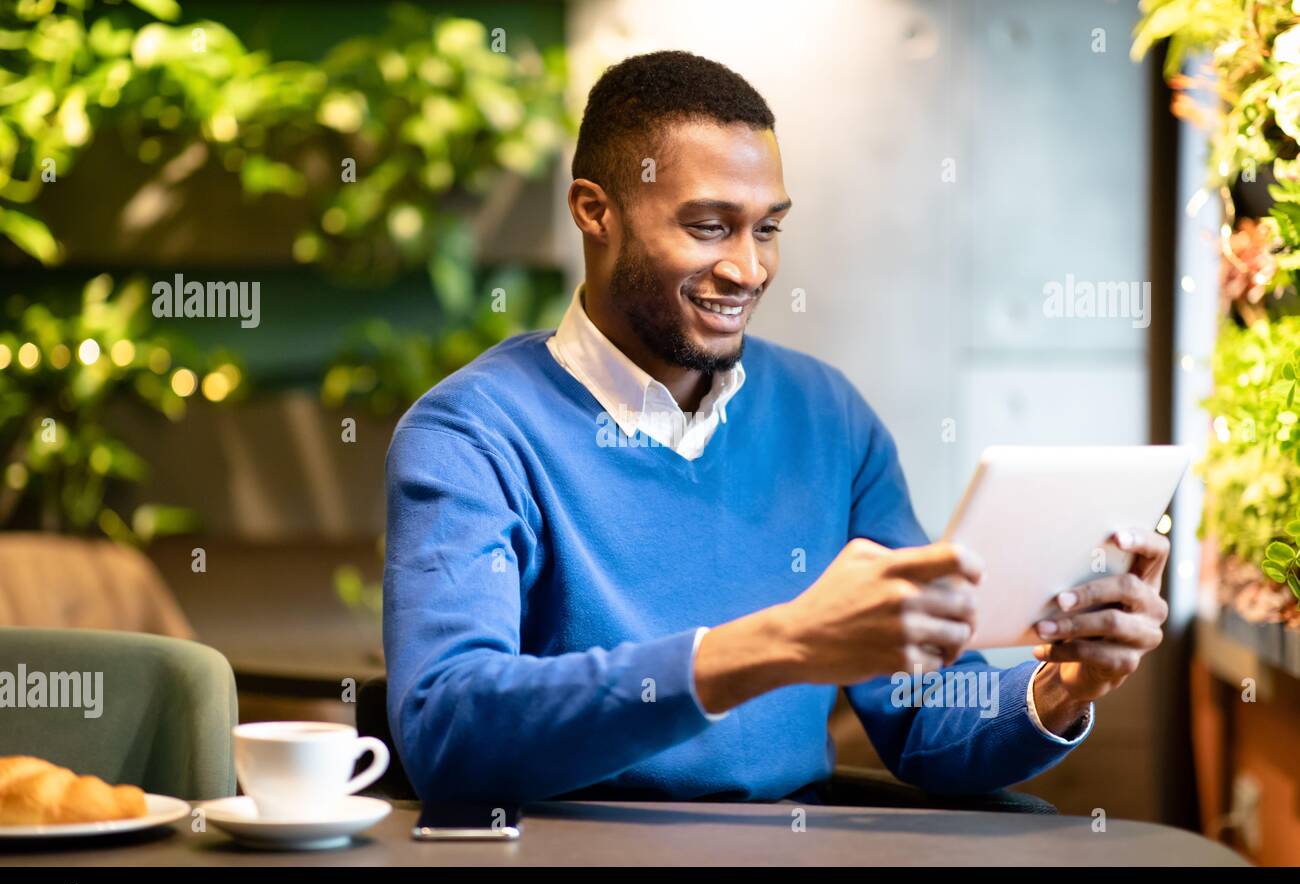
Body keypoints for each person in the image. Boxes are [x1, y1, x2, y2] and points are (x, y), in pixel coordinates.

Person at [382, 51, 1170, 804]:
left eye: (766, 229)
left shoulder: (827, 416)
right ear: (596, 212)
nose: (748, 270)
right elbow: (451, 731)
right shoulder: (471, 435)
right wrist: (775, 646)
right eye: (709, 226)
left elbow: (925, 716)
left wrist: (1060, 686)